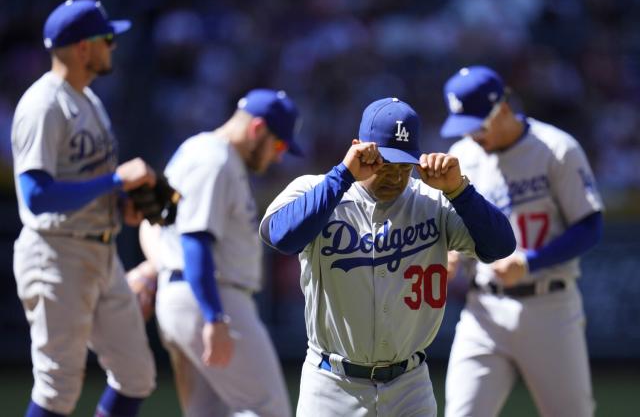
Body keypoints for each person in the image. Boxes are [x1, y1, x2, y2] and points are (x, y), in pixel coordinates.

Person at [259, 97, 516, 417]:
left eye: (403, 164)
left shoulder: (433, 201)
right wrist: (342, 175)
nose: (394, 175)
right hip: (331, 385)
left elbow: (500, 246)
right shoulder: (319, 190)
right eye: (384, 162)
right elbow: (279, 237)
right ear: (358, 149)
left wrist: (460, 191)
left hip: (410, 386)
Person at [11, 0, 157, 417]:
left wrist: (122, 205)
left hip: (101, 251)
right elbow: (36, 198)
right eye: (107, 38)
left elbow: (85, 181)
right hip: (56, 254)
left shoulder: (89, 100)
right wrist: (115, 181)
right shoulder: (44, 105)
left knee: (136, 375)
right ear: (82, 48)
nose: (114, 46)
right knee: (58, 387)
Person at [440, 66, 604, 417]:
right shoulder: (462, 157)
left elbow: (590, 226)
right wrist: (451, 253)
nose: (470, 135)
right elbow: (457, 230)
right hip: (483, 309)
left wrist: (529, 262)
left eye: (476, 125)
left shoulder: (556, 148)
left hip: (549, 306)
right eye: (463, 126)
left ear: (501, 108)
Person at [137, 89, 301, 417]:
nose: (279, 156)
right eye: (279, 145)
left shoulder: (194, 151)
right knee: (268, 410)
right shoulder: (215, 161)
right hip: (214, 298)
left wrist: (155, 269)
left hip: (189, 296)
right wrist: (214, 316)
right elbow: (195, 240)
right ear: (257, 129)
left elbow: (155, 223)